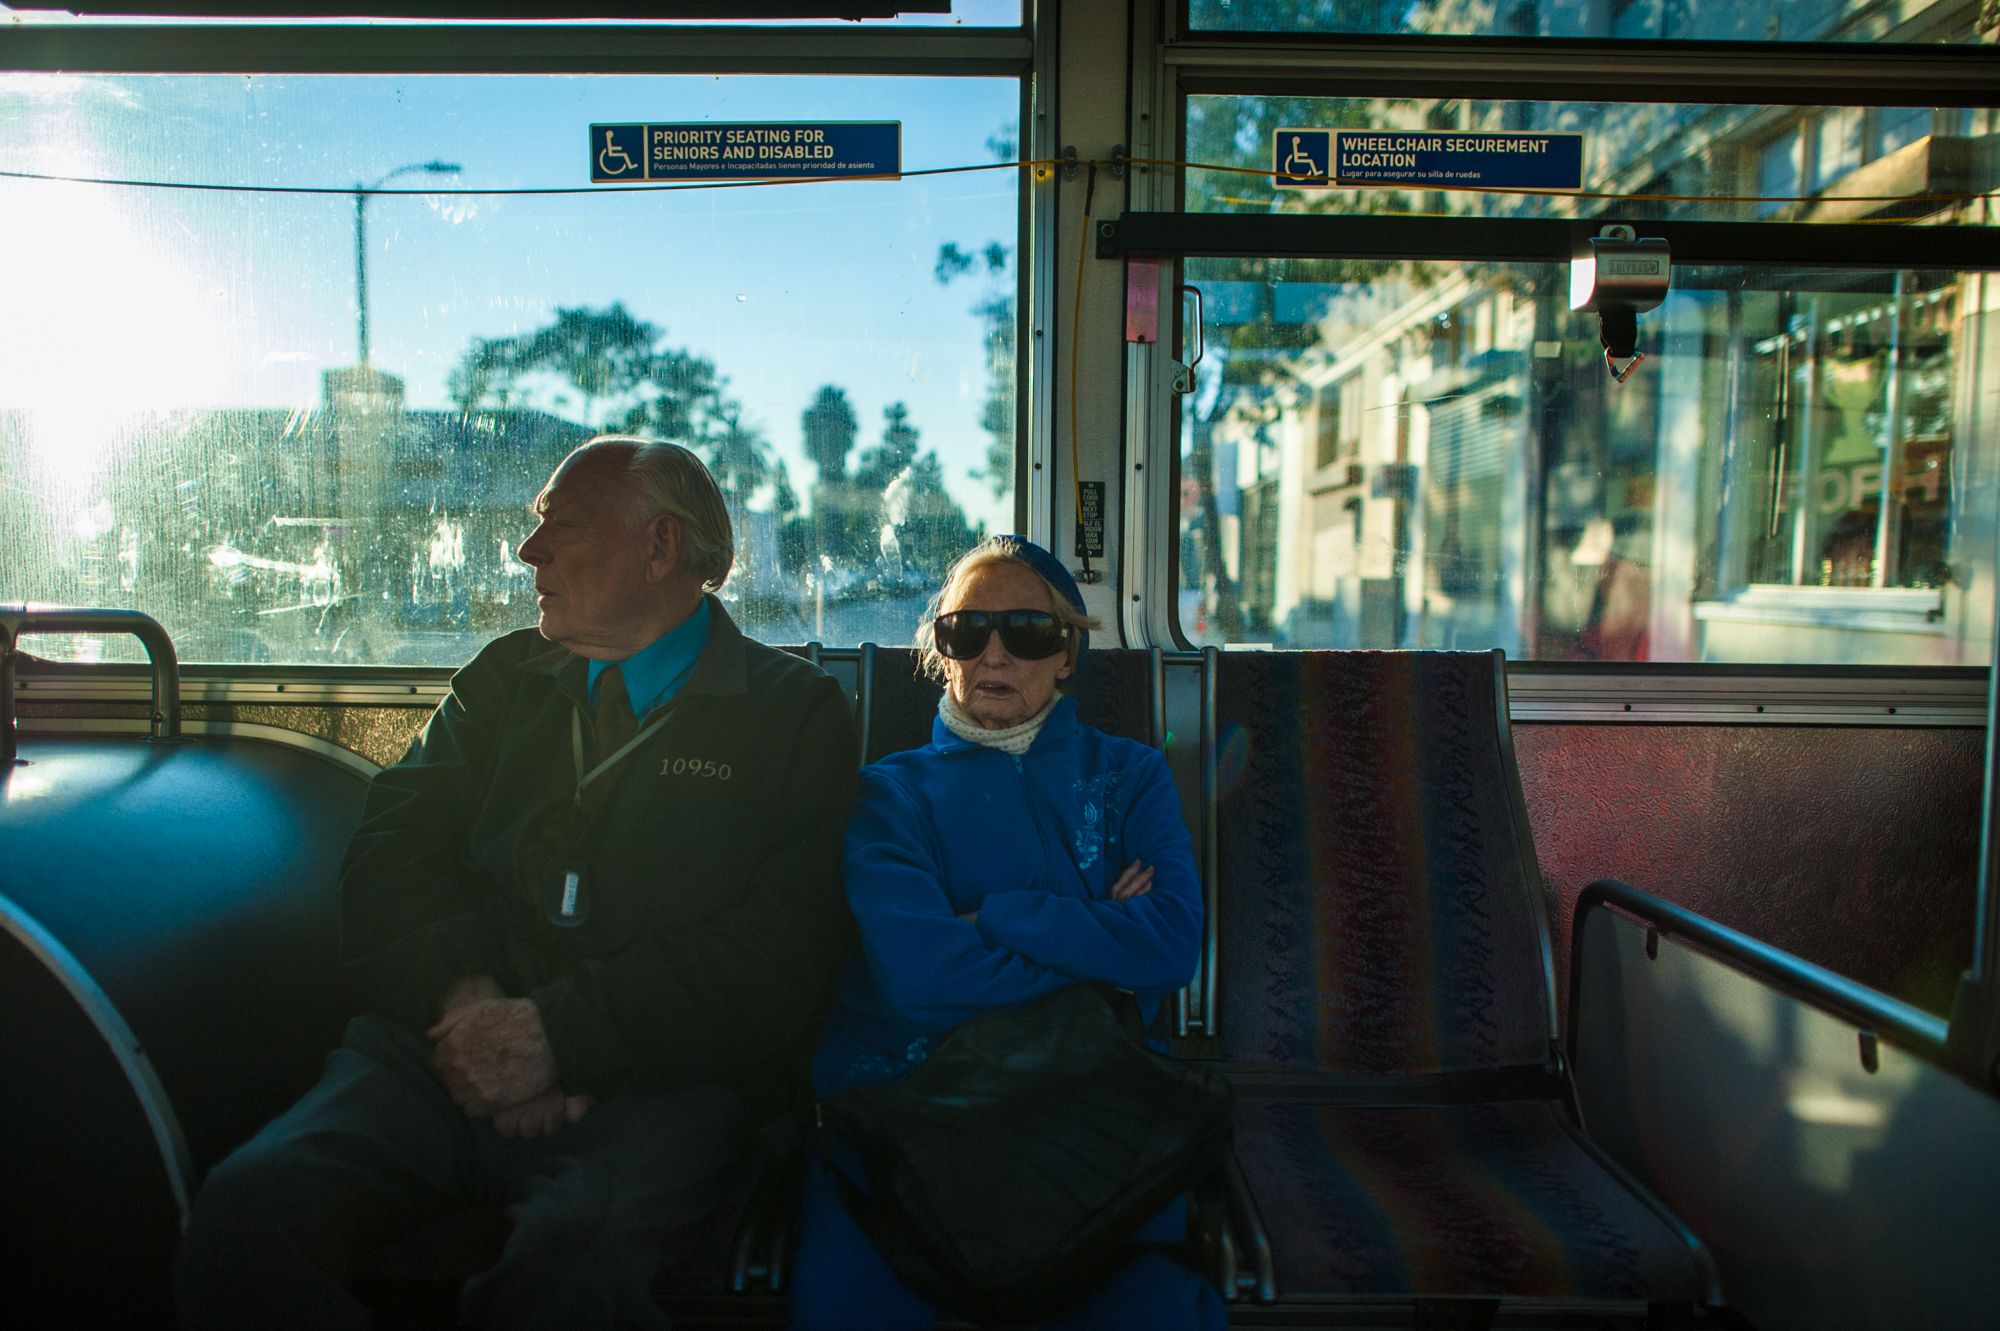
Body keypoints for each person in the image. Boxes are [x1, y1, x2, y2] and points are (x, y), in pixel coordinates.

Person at [175, 437, 859, 1331]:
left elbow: (780, 954)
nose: (527, 552)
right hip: (441, 1050)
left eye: (558, 526)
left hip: (663, 1083)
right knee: (247, 1214)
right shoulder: (502, 680)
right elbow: (392, 852)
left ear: (660, 548)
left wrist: (563, 1038)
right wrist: (472, 1009)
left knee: (578, 1264)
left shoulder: (792, 712)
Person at [788, 536, 1225, 1331]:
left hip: (1094, 1095)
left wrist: (997, 914)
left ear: (1066, 652)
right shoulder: (887, 796)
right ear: (941, 653)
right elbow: (922, 981)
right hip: (908, 1096)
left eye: (1025, 631)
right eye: (965, 631)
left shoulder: (1130, 776)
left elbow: (1170, 946)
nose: (995, 653)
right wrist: (1103, 953)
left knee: (1143, 1309)